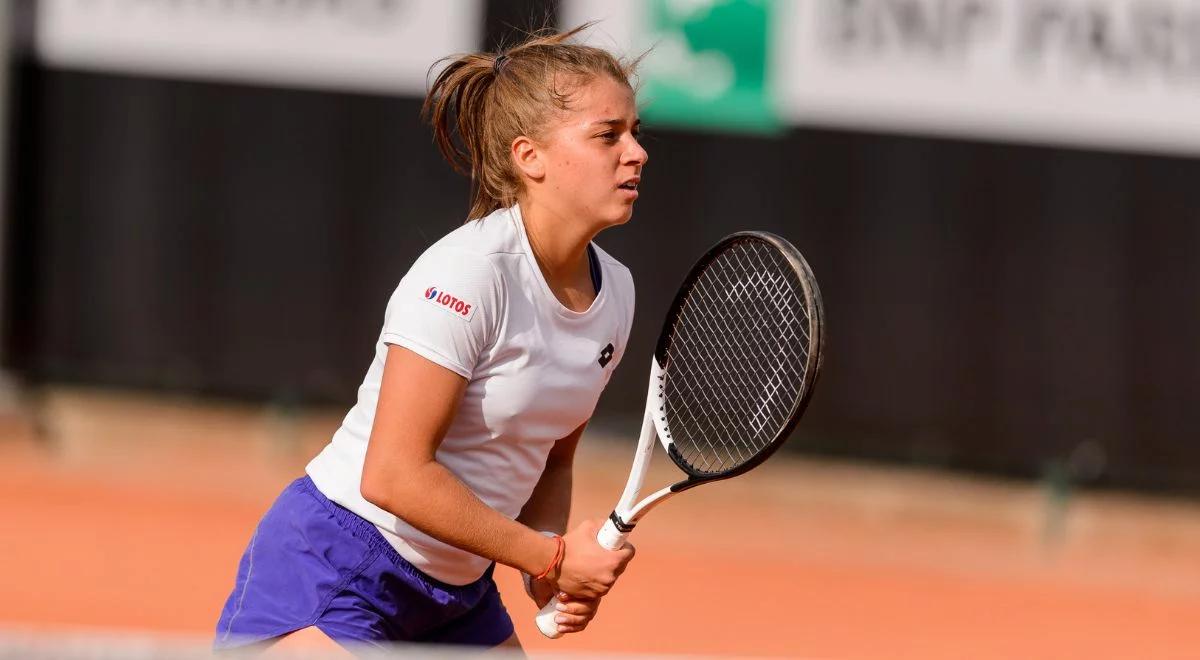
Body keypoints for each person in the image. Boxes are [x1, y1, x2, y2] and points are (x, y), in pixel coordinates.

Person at [213, 24, 647, 655]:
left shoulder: (619, 295)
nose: (635, 152)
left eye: (635, 132)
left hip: (458, 594)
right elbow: (393, 475)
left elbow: (551, 456)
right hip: (341, 564)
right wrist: (549, 555)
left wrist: (538, 571)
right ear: (531, 158)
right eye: (608, 135)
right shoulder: (469, 273)